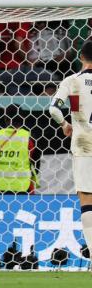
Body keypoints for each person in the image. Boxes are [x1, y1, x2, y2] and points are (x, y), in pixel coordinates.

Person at [49, 39, 92, 267]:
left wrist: (65, 124)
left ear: (81, 57)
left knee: (87, 199)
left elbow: (53, 108)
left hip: (84, 144)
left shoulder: (72, 81)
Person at [0, 105, 39, 194]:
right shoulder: (29, 137)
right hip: (23, 187)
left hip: (1, 187)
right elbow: (36, 165)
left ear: (5, 119)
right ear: (23, 118)